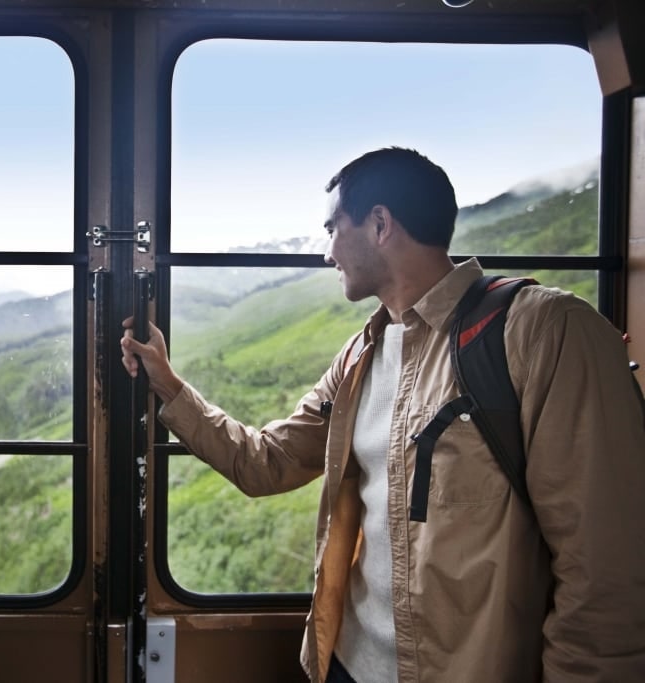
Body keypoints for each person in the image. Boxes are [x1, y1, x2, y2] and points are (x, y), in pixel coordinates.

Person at [120, 147, 645, 682]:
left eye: (333, 228)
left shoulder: (544, 331)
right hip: (348, 665)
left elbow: (604, 568)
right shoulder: (358, 357)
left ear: (379, 224)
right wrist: (167, 383)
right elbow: (268, 463)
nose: (327, 253)